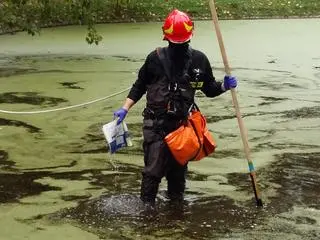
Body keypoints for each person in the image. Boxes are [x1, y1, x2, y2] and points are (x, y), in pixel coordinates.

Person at [113, 9, 237, 206]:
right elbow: (140, 85)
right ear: (191, 33)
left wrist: (224, 86)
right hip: (156, 126)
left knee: (177, 178)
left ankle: (175, 215)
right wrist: (125, 108)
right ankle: (147, 214)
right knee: (152, 173)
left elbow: (210, 89)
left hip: (182, 128)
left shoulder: (198, 61)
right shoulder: (155, 59)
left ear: (166, 34)